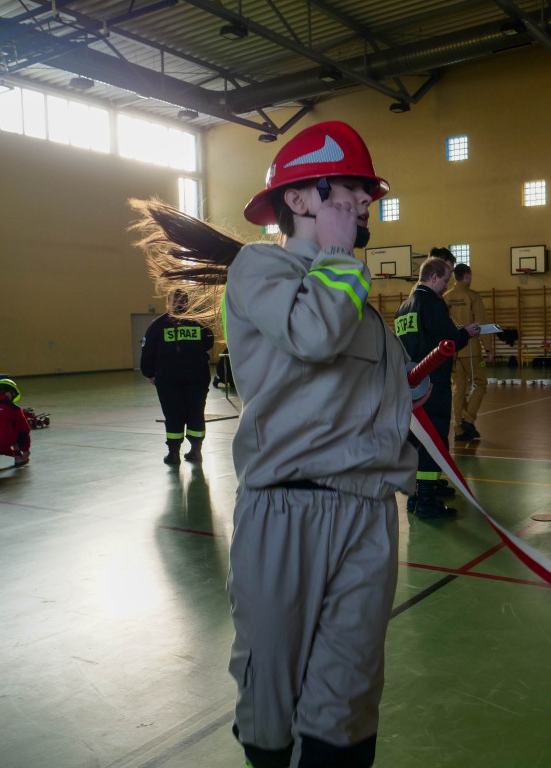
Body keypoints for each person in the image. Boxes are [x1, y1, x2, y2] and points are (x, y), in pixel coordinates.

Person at [130, 120, 429, 768]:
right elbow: (316, 336)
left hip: (369, 513)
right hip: (289, 509)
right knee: (272, 687)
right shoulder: (265, 269)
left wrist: (406, 394)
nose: (364, 204)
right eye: (351, 190)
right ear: (300, 198)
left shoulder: (353, 297)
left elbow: (354, 383)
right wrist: (340, 253)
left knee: (348, 693)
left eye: (366, 195)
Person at [395, 257, 479, 517]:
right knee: (433, 441)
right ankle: (427, 503)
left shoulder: (403, 308)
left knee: (414, 441)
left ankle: (415, 496)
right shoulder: (432, 305)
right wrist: (466, 332)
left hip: (409, 387)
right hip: (432, 384)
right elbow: (448, 341)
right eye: (445, 279)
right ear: (433, 278)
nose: (446, 285)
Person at [140, 287, 215, 465]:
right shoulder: (199, 323)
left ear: (169, 301)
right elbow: (208, 342)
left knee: (173, 414)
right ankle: (196, 450)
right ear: (187, 301)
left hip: (169, 377)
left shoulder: (158, 325)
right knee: (196, 412)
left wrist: (149, 373)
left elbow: (147, 351)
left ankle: (173, 453)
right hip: (197, 375)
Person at [444, 263, 494, 441]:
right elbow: (481, 323)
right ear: (467, 276)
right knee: (480, 383)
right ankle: (468, 419)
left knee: (457, 389)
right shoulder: (472, 296)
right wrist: (488, 347)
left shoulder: (445, 297)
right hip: (471, 350)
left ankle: (459, 430)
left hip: (452, 351)